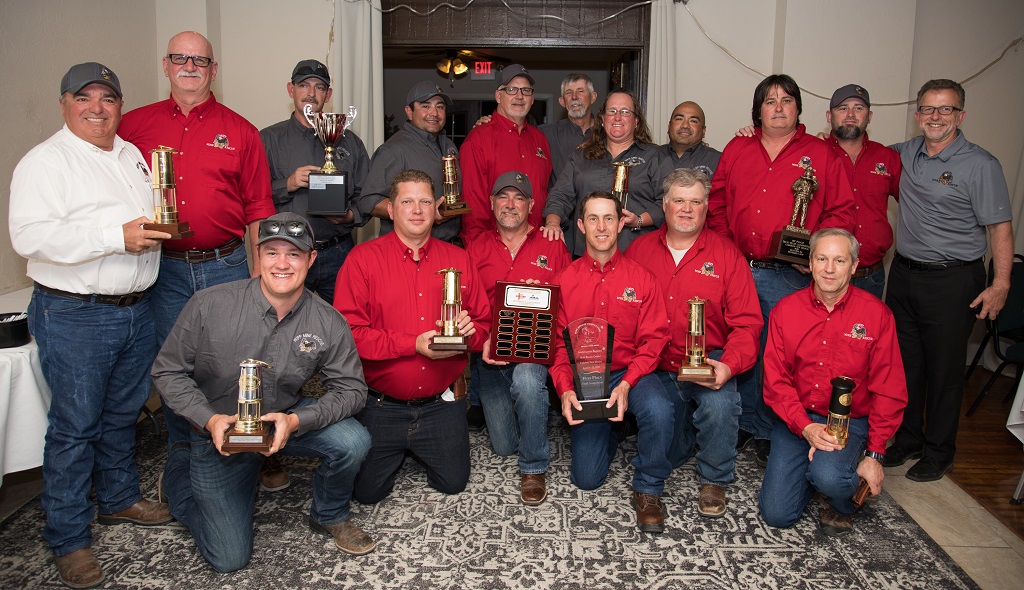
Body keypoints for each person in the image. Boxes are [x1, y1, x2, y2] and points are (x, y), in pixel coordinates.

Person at [9, 62, 172, 589]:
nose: (97, 107)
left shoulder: (129, 154)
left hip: (135, 307)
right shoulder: (46, 162)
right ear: (64, 103)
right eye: (85, 98)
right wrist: (114, 235)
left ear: (120, 105)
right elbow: (28, 237)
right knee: (75, 428)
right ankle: (69, 538)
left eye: (108, 98)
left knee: (123, 413)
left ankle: (119, 499)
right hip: (77, 312)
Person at [152, 213, 374, 572]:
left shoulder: (328, 320)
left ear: (311, 260)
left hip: (280, 419)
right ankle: (178, 478)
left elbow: (351, 390)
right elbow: (168, 371)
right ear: (257, 255)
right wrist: (208, 421)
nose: (282, 264)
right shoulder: (209, 304)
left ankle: (329, 513)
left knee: (353, 441)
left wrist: (297, 419)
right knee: (229, 558)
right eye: (272, 252)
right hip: (216, 431)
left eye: (294, 254)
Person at [117, 31, 280, 487]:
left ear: (213, 70)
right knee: (174, 371)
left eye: (201, 60)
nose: (191, 67)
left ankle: (245, 453)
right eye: (180, 59)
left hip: (225, 266)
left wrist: (257, 271)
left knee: (232, 364)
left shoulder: (242, 131)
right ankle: (183, 465)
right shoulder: (131, 127)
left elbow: (259, 210)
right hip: (160, 270)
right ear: (166, 66)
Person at [708, 74, 855, 465]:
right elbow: (718, 201)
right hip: (738, 268)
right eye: (770, 101)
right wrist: (725, 248)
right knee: (742, 347)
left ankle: (775, 427)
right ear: (758, 110)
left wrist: (817, 254)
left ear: (798, 108)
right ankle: (742, 421)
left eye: (786, 100)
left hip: (790, 275)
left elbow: (840, 211)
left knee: (785, 354)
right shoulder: (738, 147)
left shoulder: (821, 155)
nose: (778, 107)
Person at [882, 79, 1013, 482]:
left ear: (961, 115)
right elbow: (860, 154)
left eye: (946, 109)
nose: (936, 117)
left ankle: (940, 451)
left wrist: (1001, 284)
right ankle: (909, 439)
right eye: (929, 109)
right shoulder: (905, 153)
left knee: (944, 370)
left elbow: (1001, 230)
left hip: (953, 279)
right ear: (917, 114)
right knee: (906, 366)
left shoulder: (981, 164)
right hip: (903, 274)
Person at [335, 170, 490, 503]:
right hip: (381, 404)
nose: (417, 210)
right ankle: (397, 450)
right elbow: (349, 336)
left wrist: (470, 333)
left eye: (424, 202)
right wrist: (412, 344)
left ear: (436, 209)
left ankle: (418, 447)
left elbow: (484, 325)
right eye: (407, 202)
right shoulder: (362, 260)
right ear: (391, 210)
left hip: (440, 404)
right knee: (366, 494)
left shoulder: (459, 259)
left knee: (453, 482)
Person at [626, 168, 762, 518]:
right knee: (668, 452)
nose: (687, 209)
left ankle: (714, 478)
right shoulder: (639, 251)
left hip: (708, 358)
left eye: (696, 202)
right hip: (655, 364)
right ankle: (677, 443)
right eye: (679, 201)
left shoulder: (728, 255)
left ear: (706, 208)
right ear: (665, 205)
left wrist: (727, 367)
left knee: (720, 404)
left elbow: (747, 325)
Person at [760, 228, 907, 536]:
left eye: (839, 260)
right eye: (822, 259)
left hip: (850, 422)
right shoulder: (785, 312)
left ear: (853, 266)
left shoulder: (876, 315)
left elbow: (889, 389)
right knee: (776, 515)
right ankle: (817, 471)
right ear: (810, 263)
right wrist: (806, 427)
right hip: (797, 418)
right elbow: (776, 381)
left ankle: (840, 495)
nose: (829, 269)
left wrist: (875, 454)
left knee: (831, 477)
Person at [550, 191, 674, 533]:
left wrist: (626, 383)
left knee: (660, 410)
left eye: (609, 218)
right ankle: (610, 427)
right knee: (586, 479)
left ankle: (649, 487)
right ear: (580, 225)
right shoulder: (564, 279)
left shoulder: (642, 278)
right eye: (593, 219)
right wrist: (563, 390)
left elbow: (654, 340)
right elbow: (557, 347)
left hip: (629, 372)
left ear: (621, 223)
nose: (601, 227)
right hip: (586, 377)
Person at [467, 171, 571, 505]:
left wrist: (544, 307)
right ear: (492, 203)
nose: (510, 205)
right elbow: (469, 307)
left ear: (531, 205)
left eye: (518, 198)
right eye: (503, 197)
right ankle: (530, 421)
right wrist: (481, 339)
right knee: (502, 445)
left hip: (533, 348)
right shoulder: (476, 248)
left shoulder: (552, 244)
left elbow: (569, 300)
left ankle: (534, 466)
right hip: (491, 354)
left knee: (528, 382)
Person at [260, 59, 370, 304]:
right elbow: (250, 196)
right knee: (286, 324)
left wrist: (350, 216)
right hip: (289, 254)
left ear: (328, 94)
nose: (311, 93)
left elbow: (367, 195)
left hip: (338, 252)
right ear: (291, 90)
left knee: (344, 325)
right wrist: (286, 184)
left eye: (319, 87)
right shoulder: (268, 139)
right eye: (304, 85)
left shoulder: (348, 140)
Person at [542, 90, 669, 257]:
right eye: (612, 111)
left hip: (637, 254)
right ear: (602, 119)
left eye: (625, 112)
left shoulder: (655, 156)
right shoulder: (581, 155)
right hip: (588, 256)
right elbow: (560, 195)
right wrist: (552, 223)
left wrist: (638, 220)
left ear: (636, 121)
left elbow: (669, 202)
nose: (617, 117)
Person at [353, 82, 462, 244]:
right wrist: (425, 213)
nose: (434, 113)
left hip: (447, 246)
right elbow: (369, 202)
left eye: (440, 107)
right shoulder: (393, 150)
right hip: (408, 250)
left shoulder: (449, 146)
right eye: (425, 106)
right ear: (409, 112)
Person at [823, 84, 901, 298]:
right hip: (822, 275)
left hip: (871, 276)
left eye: (858, 108)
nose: (850, 114)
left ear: (869, 116)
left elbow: (913, 203)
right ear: (829, 116)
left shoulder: (888, 158)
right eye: (842, 108)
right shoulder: (814, 154)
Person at [459, 64, 553, 242]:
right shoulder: (478, 139)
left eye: (526, 90)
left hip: (537, 247)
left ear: (532, 98)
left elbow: (545, 192)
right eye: (511, 90)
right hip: (493, 248)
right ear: (498, 96)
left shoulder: (540, 139)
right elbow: (473, 207)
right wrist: (479, 251)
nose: (519, 96)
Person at [539, 73, 598, 179]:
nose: (574, 97)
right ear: (562, 101)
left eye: (580, 91)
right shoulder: (546, 134)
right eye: (569, 93)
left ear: (593, 97)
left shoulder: (607, 133)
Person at [663, 101, 721, 178]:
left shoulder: (718, 160)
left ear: (703, 130)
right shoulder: (653, 156)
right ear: (669, 126)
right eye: (679, 119)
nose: (685, 125)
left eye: (693, 121)